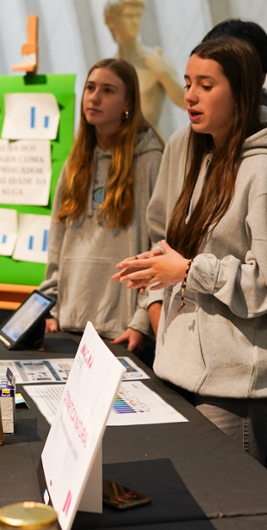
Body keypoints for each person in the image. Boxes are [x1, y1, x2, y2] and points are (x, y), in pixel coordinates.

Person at [114, 36, 267, 466]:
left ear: (241, 93)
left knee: (228, 498)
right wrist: (158, 270)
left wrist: (187, 271)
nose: (190, 96)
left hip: (234, 387)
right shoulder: (204, 157)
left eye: (206, 85)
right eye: (187, 83)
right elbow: (179, 246)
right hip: (181, 370)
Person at [38, 58, 163, 352]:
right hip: (69, 322)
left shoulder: (150, 160)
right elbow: (57, 241)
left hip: (122, 329)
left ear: (128, 103)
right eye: (90, 88)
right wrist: (49, 304)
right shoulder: (76, 161)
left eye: (108, 90)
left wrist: (141, 320)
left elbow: (160, 246)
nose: (94, 98)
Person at [104, 0, 185, 131]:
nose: (135, 22)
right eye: (129, 16)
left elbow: (187, 102)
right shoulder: (109, 69)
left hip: (150, 141)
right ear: (111, 22)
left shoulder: (155, 59)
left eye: (138, 16)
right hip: (118, 143)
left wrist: (163, 73)